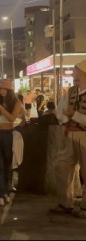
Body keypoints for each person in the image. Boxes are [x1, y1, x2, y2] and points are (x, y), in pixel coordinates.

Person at [50, 60, 86, 218]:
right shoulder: (72, 91)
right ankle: (66, 203)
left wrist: (75, 116)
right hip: (70, 133)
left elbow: (70, 112)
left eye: (75, 71)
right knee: (61, 165)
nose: (73, 74)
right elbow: (60, 110)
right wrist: (66, 120)